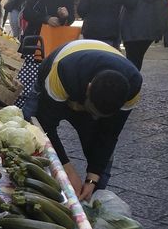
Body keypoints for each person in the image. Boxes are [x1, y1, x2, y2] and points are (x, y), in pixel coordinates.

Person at [31, 39, 142, 201]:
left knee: (100, 150)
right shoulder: (64, 72)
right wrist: (67, 170)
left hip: (89, 83)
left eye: (100, 116)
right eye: (92, 111)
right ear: (89, 88)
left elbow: (109, 134)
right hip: (57, 76)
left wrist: (92, 178)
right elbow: (45, 125)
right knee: (33, 131)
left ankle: (93, 198)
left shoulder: (132, 87)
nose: (94, 118)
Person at [120, 0, 168, 71]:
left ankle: (131, 82)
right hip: (149, 34)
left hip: (131, 33)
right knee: (138, 58)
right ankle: (134, 80)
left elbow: (123, 14)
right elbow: (164, 16)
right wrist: (163, 35)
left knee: (131, 59)